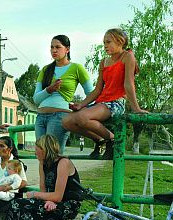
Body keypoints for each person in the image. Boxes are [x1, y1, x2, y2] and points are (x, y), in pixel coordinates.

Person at [62, 28, 148, 160]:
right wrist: (81, 104)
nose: (105, 46)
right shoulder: (104, 62)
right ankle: (101, 140)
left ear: (120, 41)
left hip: (116, 102)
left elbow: (129, 84)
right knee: (66, 121)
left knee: (82, 118)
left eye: (108, 42)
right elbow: (97, 89)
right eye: (104, 43)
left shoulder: (128, 56)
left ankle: (113, 139)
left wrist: (136, 108)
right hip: (102, 102)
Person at [33, 35, 93, 153]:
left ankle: (66, 171)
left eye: (58, 47)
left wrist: (81, 106)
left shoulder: (76, 68)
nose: (54, 50)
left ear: (67, 49)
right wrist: (49, 89)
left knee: (53, 155)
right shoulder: (45, 70)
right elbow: (36, 99)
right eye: (51, 47)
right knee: (41, 155)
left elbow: (91, 93)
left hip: (59, 116)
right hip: (40, 117)